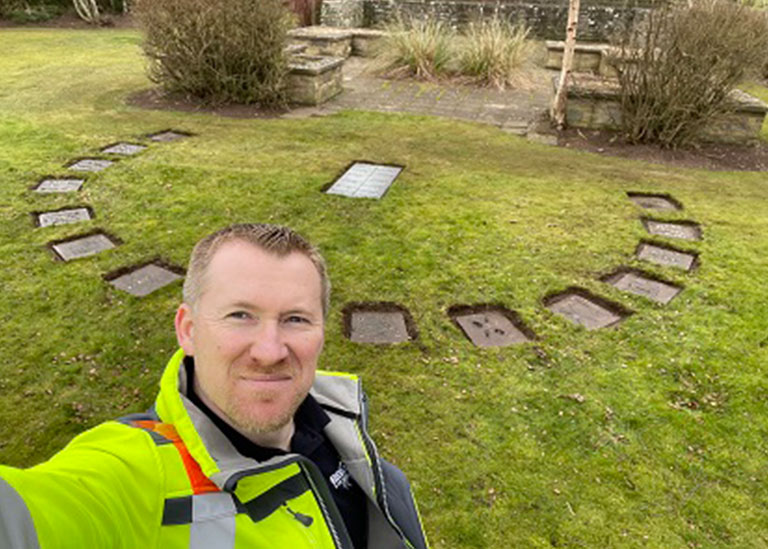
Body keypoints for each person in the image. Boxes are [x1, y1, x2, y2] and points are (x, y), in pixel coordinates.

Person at [0, 223, 429, 549]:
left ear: (321, 333)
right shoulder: (135, 472)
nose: (269, 350)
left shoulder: (340, 421)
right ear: (187, 331)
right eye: (240, 315)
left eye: (295, 319)